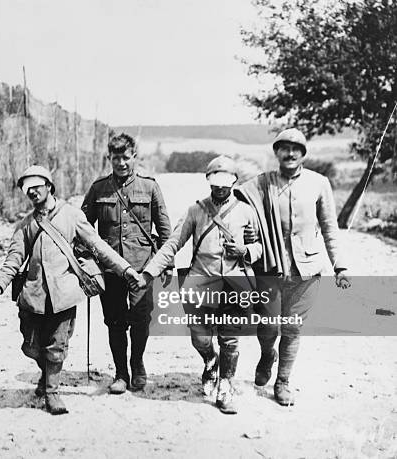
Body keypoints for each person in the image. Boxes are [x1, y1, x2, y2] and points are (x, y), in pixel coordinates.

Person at [0, 165, 142, 415]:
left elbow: (97, 246)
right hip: (34, 294)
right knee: (31, 347)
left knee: (57, 346)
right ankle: (47, 372)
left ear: (49, 186)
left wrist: (125, 269)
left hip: (64, 293)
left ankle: (52, 392)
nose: (32, 191)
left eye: (37, 185)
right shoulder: (25, 225)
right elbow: (13, 259)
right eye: (28, 188)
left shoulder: (71, 215)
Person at [236, 128, 351, 406]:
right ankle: (267, 355)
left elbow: (330, 229)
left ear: (303, 154)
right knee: (267, 326)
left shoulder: (318, 183)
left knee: (293, 328)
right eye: (284, 148)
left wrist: (341, 266)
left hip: (306, 271)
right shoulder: (261, 184)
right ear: (276, 152)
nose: (290, 153)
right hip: (269, 268)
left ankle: (283, 381)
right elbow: (239, 209)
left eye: (296, 149)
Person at [139, 155, 262, 414]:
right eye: (214, 182)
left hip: (235, 285)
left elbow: (258, 247)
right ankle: (209, 361)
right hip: (200, 284)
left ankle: (226, 385)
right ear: (208, 182)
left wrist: (245, 250)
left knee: (230, 340)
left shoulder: (246, 212)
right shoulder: (196, 211)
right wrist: (150, 272)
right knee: (200, 338)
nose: (219, 188)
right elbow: (173, 244)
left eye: (225, 182)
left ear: (234, 182)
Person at [81, 133, 172, 394]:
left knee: (141, 319)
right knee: (115, 322)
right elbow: (83, 227)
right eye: (115, 158)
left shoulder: (150, 187)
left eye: (126, 157)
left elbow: (165, 230)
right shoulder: (99, 189)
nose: (121, 163)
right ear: (109, 158)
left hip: (142, 267)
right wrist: (85, 260)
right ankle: (121, 372)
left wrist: (168, 264)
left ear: (135, 157)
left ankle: (137, 364)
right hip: (110, 269)